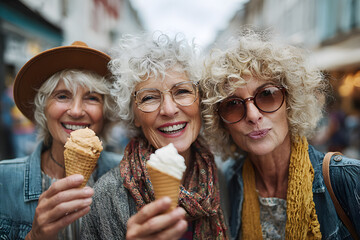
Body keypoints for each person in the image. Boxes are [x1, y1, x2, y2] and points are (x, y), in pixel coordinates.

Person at [200, 30, 360, 239]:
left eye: (267, 95)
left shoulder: (349, 179)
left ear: (290, 102)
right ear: (220, 122)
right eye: (233, 104)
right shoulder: (225, 184)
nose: (253, 115)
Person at [81, 32, 228, 239]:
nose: (169, 109)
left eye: (182, 92)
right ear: (135, 115)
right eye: (149, 97)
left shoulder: (223, 181)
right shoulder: (109, 194)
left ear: (200, 102)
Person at [0, 41, 122, 240]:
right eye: (62, 96)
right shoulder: (3, 180)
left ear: (105, 112)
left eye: (92, 98)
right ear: (43, 108)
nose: (75, 111)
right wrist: (34, 236)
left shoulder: (125, 177)